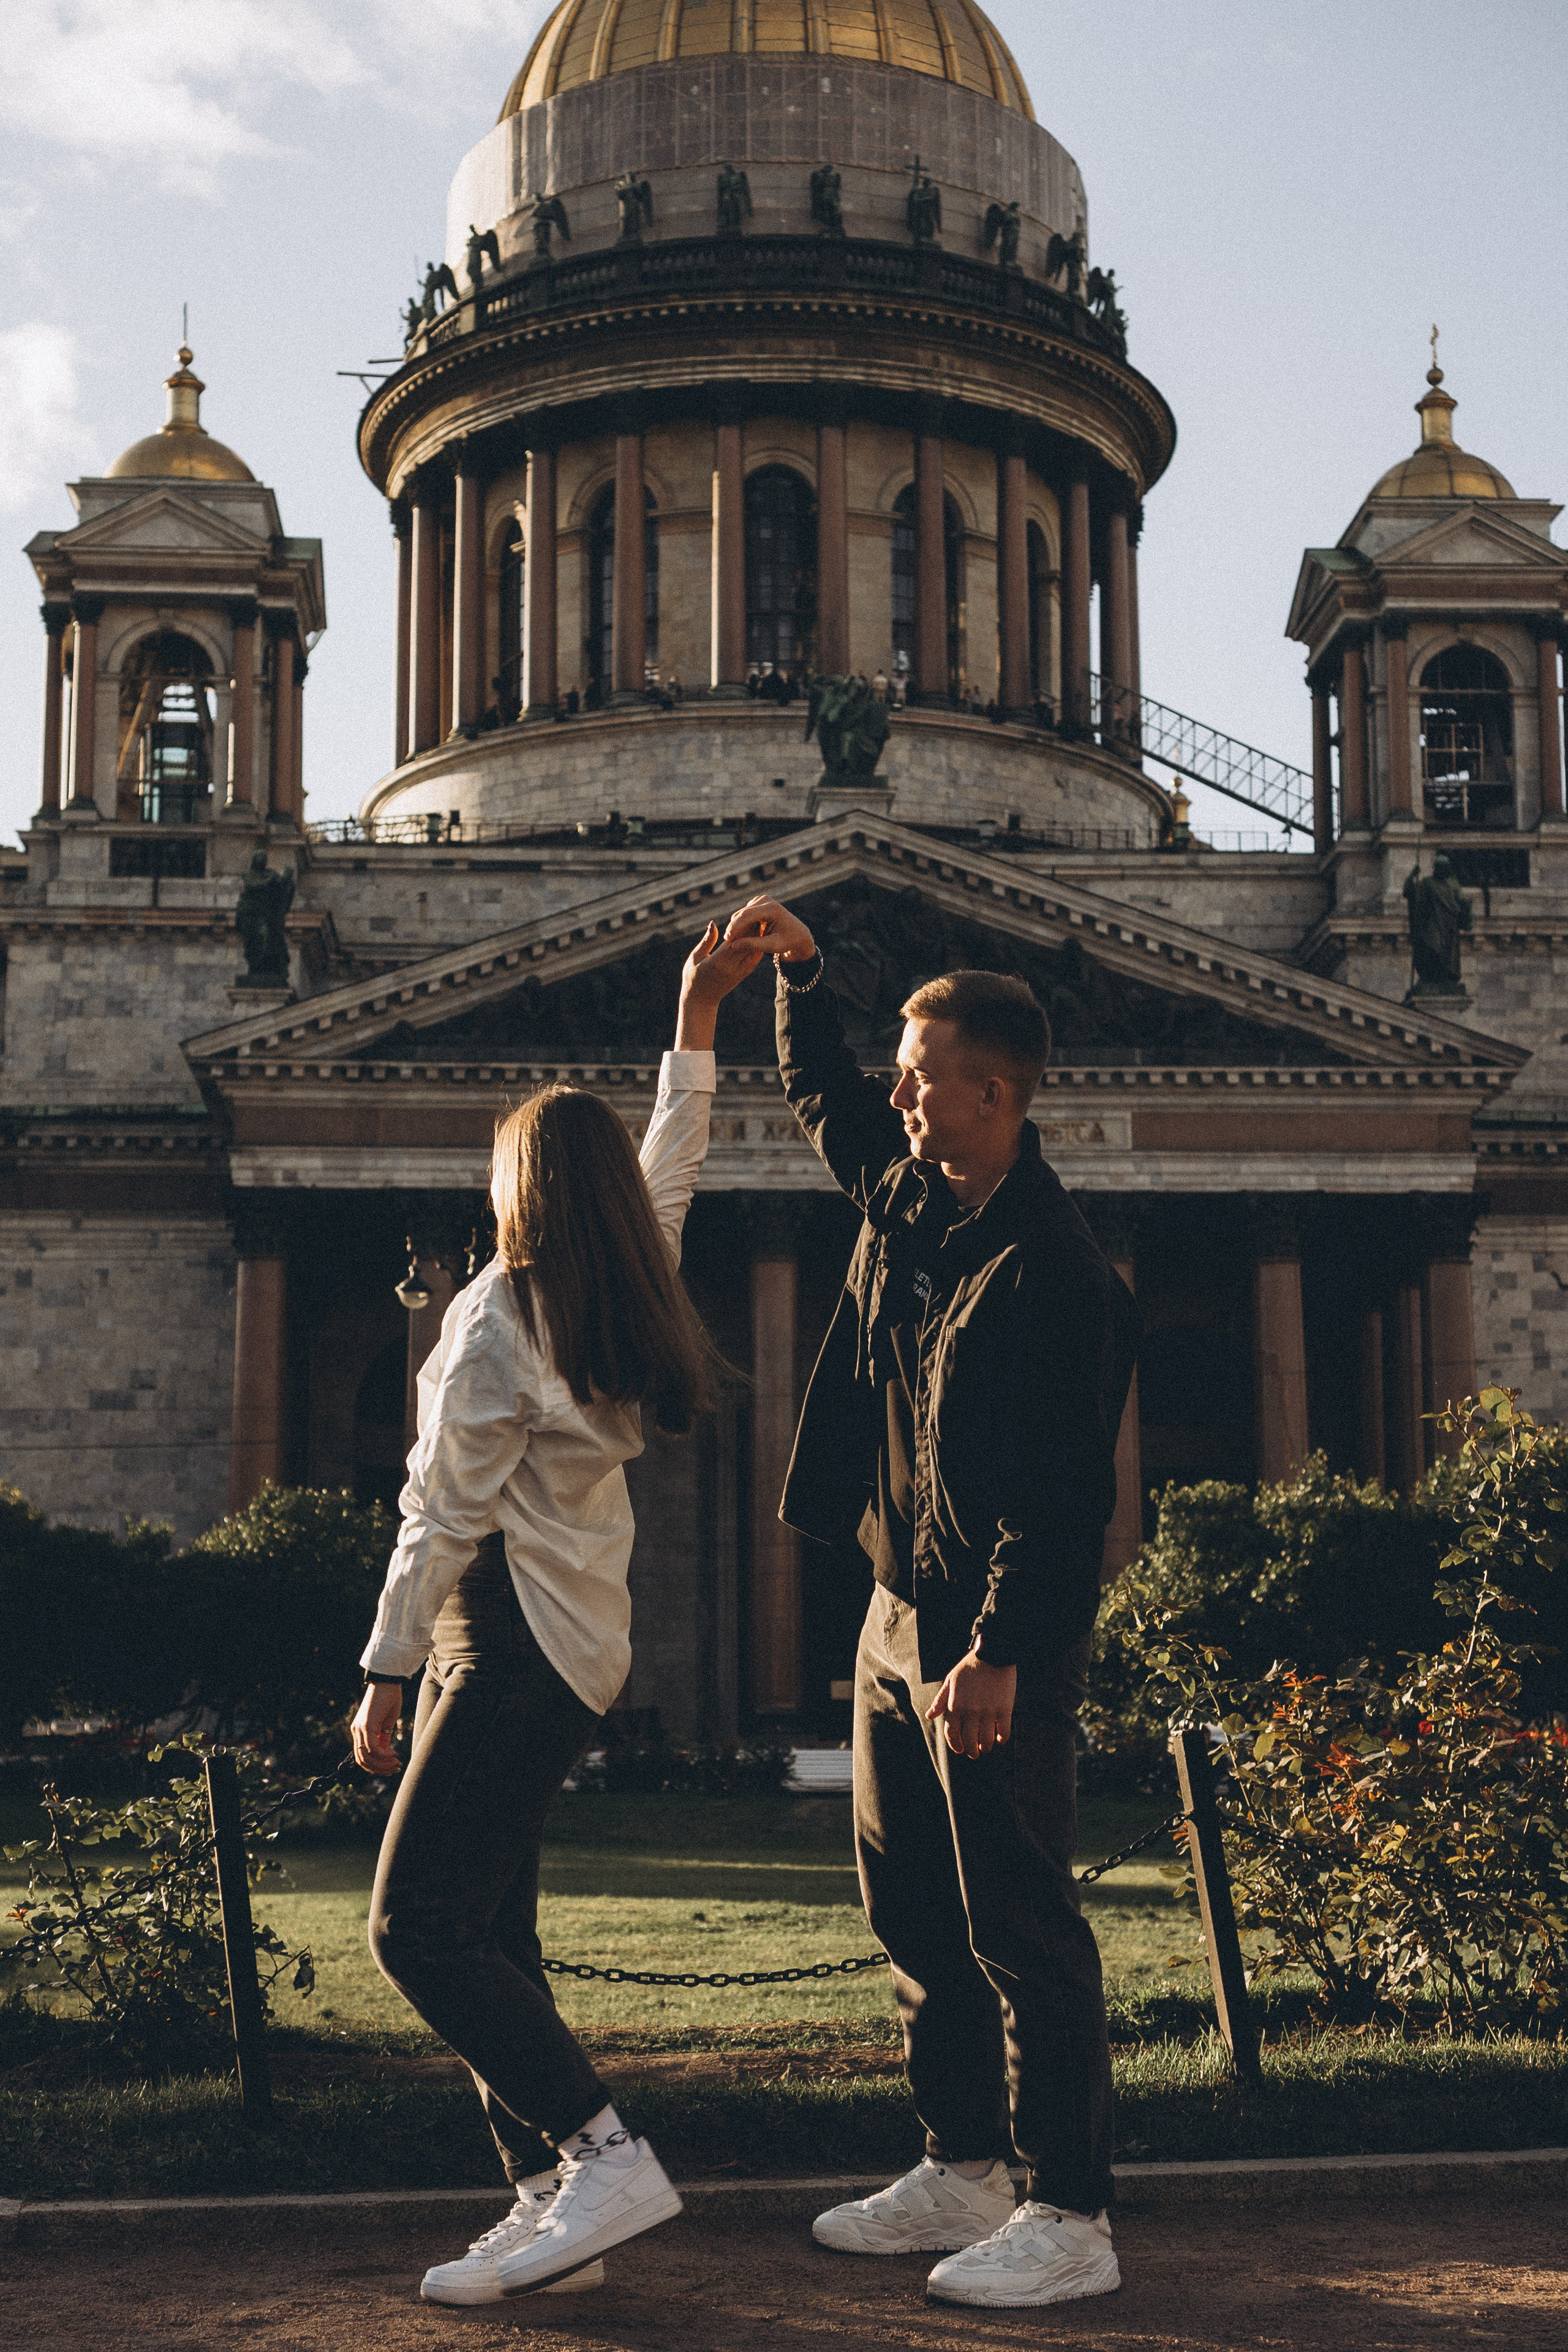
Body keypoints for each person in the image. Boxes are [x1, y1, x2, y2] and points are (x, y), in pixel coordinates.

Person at [720, 894, 1139, 2312]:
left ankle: (1070, 2210)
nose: (894, 1094)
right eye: (898, 1073)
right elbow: (823, 1101)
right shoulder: (910, 1192)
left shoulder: (1058, 1276)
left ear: (992, 1094)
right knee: (910, 1911)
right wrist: (797, 979)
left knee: (1020, 1922)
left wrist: (998, 1653)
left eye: (917, 1075)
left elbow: (1063, 1494)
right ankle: (960, 2167)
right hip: (892, 1615)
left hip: (982, 1641)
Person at [350, 919, 764, 2309]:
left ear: (515, 1184)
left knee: (413, 1932)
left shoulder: (490, 1318)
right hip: (575, 1648)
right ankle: (546, 2207)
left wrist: (384, 1672)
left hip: (499, 1645)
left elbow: (438, 1513)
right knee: (495, 1934)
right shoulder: (617, 1285)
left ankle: (601, 2157)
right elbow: (677, 1159)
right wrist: (692, 1022)